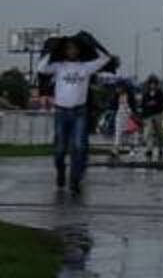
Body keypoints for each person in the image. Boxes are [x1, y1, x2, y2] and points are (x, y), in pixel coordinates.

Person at [36, 36, 114, 192]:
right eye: (68, 48)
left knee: (78, 146)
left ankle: (75, 179)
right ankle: (61, 171)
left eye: (74, 48)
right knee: (59, 149)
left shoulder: (86, 67)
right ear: (64, 51)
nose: (71, 51)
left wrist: (92, 42)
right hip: (61, 111)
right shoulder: (58, 66)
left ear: (79, 50)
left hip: (79, 111)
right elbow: (41, 68)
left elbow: (105, 58)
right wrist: (51, 51)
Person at [139, 75, 163, 161]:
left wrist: (161, 110)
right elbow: (143, 105)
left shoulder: (160, 93)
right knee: (149, 133)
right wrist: (143, 116)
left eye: (154, 83)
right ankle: (149, 149)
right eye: (151, 84)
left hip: (157, 114)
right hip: (148, 115)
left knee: (159, 133)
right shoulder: (146, 94)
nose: (153, 85)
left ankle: (160, 148)